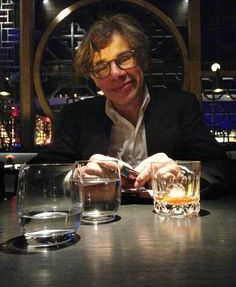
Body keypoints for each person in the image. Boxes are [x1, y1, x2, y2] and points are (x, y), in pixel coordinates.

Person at [36, 13, 234, 196]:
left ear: (141, 59)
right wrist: (77, 177)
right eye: (101, 68)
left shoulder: (180, 106)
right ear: (94, 79)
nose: (116, 73)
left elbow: (221, 168)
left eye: (124, 59)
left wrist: (182, 174)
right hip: (98, 225)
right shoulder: (76, 116)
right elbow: (37, 173)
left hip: (169, 223)